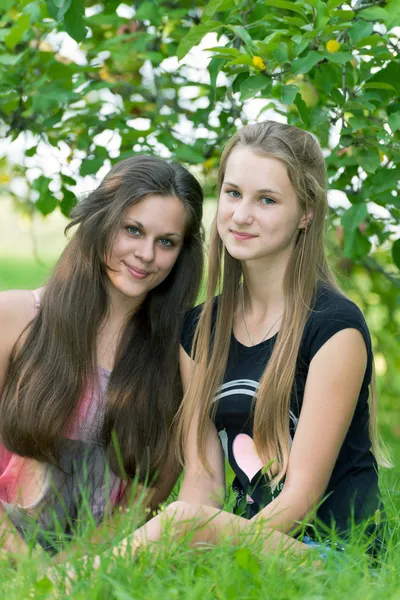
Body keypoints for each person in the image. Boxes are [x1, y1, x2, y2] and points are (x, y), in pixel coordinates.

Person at [97, 121, 389, 563]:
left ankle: (72, 584)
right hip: (256, 547)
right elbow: (203, 481)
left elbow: (301, 497)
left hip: (336, 555)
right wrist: (193, 554)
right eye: (233, 193)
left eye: (266, 200)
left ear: (306, 213)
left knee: (182, 523)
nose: (241, 215)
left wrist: (216, 548)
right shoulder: (200, 330)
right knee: (183, 528)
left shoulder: (334, 328)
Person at [0, 155, 204, 558]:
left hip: (95, 560)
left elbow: (151, 493)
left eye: (166, 242)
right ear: (101, 222)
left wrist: (68, 571)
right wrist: (26, 566)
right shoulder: (15, 316)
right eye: (133, 230)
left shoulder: (176, 356)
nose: (146, 254)